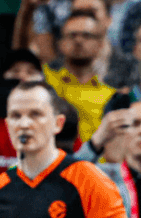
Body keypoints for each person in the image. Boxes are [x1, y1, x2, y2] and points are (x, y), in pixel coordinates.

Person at [0, 81, 133, 218]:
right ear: (7, 125)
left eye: (35, 114)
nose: (24, 124)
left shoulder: (90, 180)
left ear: (58, 123)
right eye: (16, 116)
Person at [43, 11, 116, 142]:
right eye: (72, 35)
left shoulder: (111, 94)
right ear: (61, 43)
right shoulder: (45, 80)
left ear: (100, 44)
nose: (78, 40)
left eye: (86, 36)